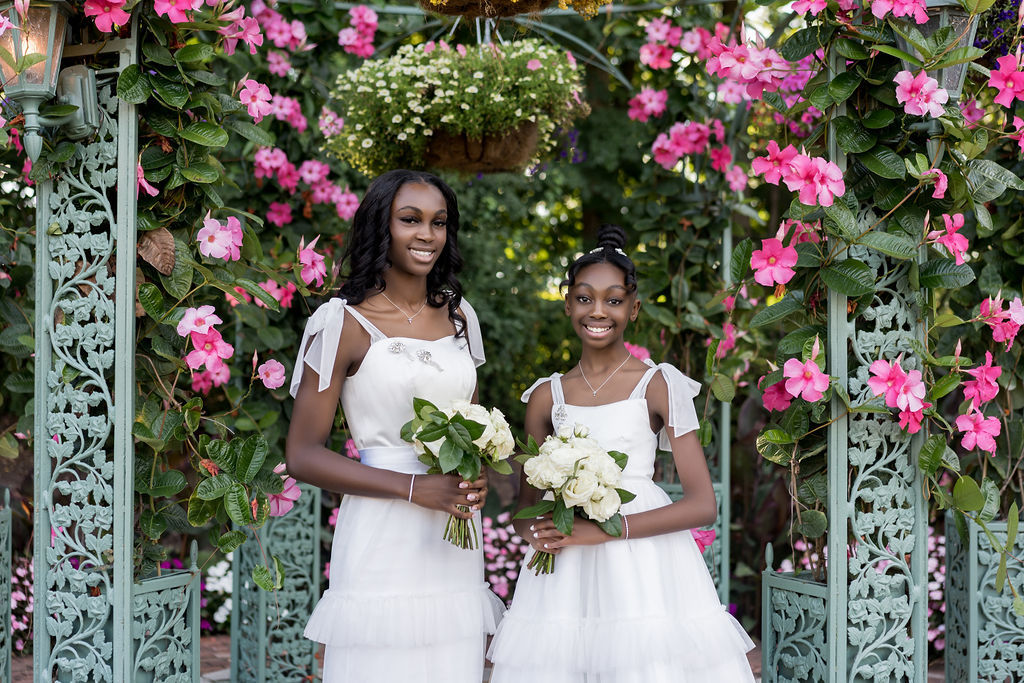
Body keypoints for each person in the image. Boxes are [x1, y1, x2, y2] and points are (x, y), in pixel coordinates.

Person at [487, 224, 755, 682]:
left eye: (613, 300)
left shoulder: (659, 384)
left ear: (634, 309)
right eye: (586, 297)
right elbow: (525, 512)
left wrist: (605, 532)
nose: (598, 311)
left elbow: (702, 504)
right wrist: (543, 530)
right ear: (568, 303)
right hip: (564, 575)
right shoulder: (545, 398)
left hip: (644, 564)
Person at [286, 169, 504, 683]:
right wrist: (413, 487)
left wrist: (478, 476)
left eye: (439, 222)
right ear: (381, 226)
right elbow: (303, 454)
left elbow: (471, 425)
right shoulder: (342, 322)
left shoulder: (459, 316)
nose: (427, 234)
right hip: (383, 531)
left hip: (453, 535)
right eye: (411, 220)